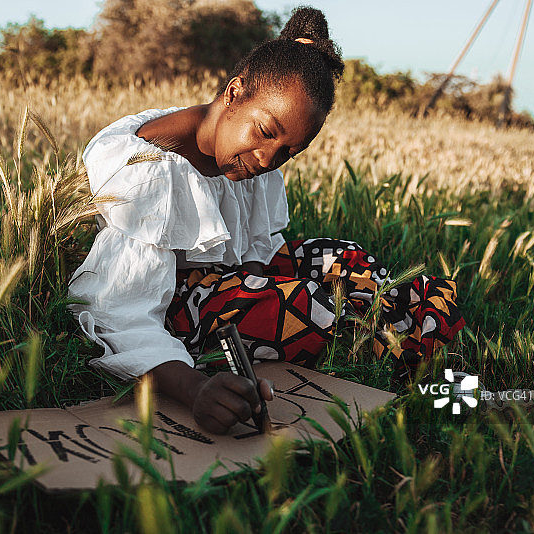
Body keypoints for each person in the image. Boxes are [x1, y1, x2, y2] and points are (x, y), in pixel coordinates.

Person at [69, 6, 465, 434]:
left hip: (229, 279)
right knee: (311, 308)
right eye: (265, 132)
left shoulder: (243, 152)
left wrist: (261, 282)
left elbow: (256, 244)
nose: (266, 159)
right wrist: (196, 389)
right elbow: (118, 309)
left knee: (348, 261)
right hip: (174, 304)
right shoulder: (149, 170)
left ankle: (441, 366)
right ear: (234, 92)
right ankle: (425, 378)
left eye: (288, 152)